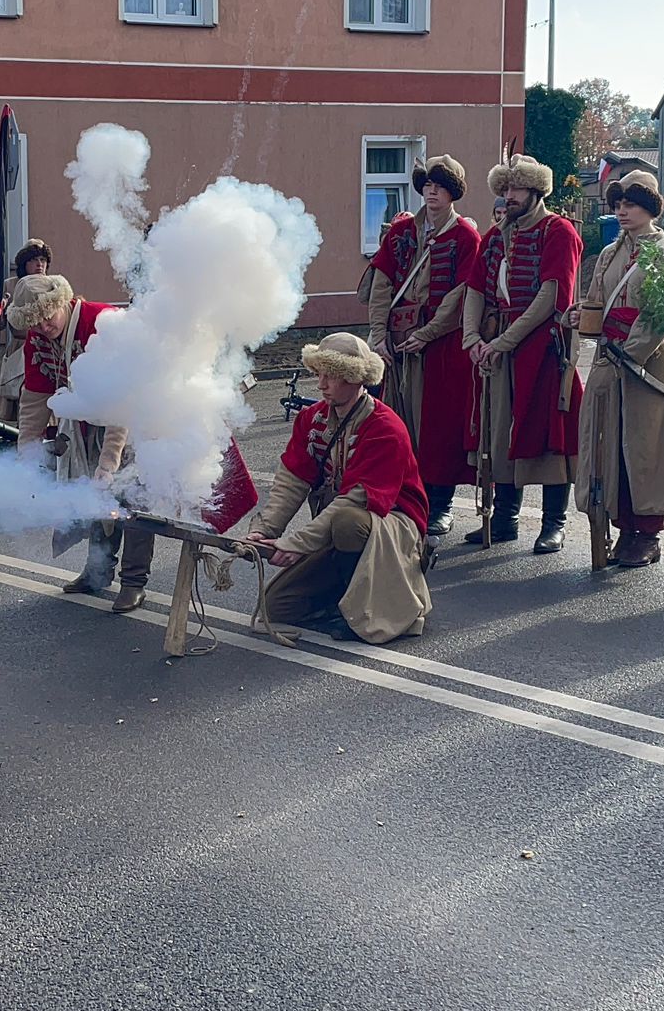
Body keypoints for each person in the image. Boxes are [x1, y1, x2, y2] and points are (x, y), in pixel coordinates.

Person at [247, 332, 432, 644]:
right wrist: (265, 532)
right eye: (319, 374)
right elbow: (292, 480)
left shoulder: (386, 428)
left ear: (355, 378)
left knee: (349, 521)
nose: (321, 384)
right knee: (277, 607)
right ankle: (340, 598)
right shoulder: (310, 418)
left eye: (331, 376)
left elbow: (355, 501)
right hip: (334, 529)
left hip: (387, 527)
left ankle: (369, 601)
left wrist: (296, 544)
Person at [9, 273, 153, 611]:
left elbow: (124, 400)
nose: (43, 326)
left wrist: (109, 462)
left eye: (47, 317)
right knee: (94, 495)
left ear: (62, 302)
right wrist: (24, 462)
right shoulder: (38, 337)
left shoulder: (101, 323)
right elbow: (34, 399)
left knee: (132, 501)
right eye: (35, 322)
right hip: (88, 425)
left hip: (137, 421)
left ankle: (134, 581)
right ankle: (98, 571)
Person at [577, 171, 664, 568]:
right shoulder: (611, 252)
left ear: (649, 208)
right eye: (619, 204)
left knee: (645, 450)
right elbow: (595, 300)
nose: (622, 211)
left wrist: (630, 354)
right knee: (608, 447)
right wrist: (579, 317)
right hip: (610, 358)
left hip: (648, 364)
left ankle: (646, 533)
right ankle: (621, 526)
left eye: (630, 204)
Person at [462, 155, 583, 553]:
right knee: (499, 432)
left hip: (543, 348)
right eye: (504, 189)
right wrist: (472, 338)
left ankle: (554, 524)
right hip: (498, 345)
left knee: (548, 435)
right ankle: (505, 519)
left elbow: (551, 297)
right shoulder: (495, 236)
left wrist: (502, 342)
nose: (507, 197)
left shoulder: (558, 231)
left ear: (536, 191)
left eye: (515, 189)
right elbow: (476, 289)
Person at [366, 155, 481, 537]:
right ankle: (403, 498)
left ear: (452, 193)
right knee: (397, 426)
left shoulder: (466, 236)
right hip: (397, 345)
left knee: (438, 429)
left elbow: (460, 294)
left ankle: (441, 505)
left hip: (440, 349)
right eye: (428, 185)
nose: (431, 191)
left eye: (440, 186)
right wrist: (378, 336)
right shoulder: (401, 233)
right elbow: (382, 285)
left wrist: (428, 332)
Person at [0, 239, 53, 423]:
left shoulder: (53, 284)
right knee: (21, 393)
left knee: (46, 393)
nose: (39, 264)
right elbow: (0, 324)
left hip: (47, 345)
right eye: (34, 259)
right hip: (20, 345)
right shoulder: (11, 285)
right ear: (24, 263)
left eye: (43, 260)